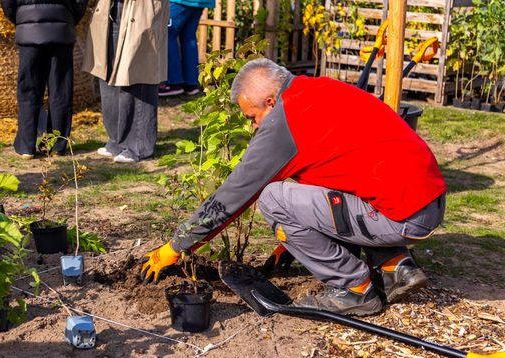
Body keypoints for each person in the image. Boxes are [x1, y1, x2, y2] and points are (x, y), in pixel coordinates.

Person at [140, 58, 447, 317]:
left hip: (403, 216)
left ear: (270, 102)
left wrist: (177, 246)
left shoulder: (283, 122)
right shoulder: (320, 89)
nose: (254, 126)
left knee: (274, 198)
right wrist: (295, 239)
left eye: (253, 117)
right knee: (343, 180)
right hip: (426, 198)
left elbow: (235, 193)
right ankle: (396, 266)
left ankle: (353, 289)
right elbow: (333, 173)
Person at [83, 0, 169, 163]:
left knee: (138, 76)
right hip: (113, 9)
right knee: (108, 73)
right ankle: (116, 141)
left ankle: (138, 147)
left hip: (142, 11)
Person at [0, 0, 88, 158]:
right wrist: (67, 17)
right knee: (60, 90)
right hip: (61, 27)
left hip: (29, 27)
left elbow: (8, 4)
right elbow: (80, 2)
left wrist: (22, 18)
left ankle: (26, 146)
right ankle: (57, 145)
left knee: (28, 89)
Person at [158, 0, 215, 97]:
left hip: (181, 2)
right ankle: (191, 84)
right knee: (188, 38)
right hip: (200, 2)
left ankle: (174, 83)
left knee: (167, 34)